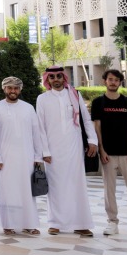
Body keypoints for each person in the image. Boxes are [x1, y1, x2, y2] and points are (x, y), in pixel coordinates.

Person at [36, 66, 97, 237]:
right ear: (47, 79)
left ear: (64, 78)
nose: (56, 79)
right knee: (55, 186)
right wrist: (45, 151)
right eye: (52, 77)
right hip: (53, 150)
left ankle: (81, 223)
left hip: (74, 147)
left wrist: (92, 141)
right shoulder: (42, 98)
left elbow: (86, 118)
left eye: (59, 76)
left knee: (77, 184)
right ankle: (55, 223)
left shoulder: (75, 94)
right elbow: (40, 126)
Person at [91, 69, 127, 237]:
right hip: (108, 154)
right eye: (110, 79)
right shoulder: (98, 103)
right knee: (109, 190)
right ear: (105, 81)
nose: (113, 82)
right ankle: (112, 222)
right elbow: (97, 128)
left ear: (120, 83)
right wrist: (101, 150)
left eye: (116, 80)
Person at [0, 76, 46, 235]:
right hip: (4, 158)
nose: (12, 91)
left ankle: (29, 224)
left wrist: (37, 157)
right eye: (9, 88)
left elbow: (36, 134)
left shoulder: (28, 108)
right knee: (6, 191)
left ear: (20, 90)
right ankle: (7, 224)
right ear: (4, 89)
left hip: (26, 157)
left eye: (15, 88)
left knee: (26, 191)